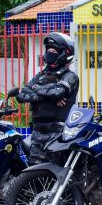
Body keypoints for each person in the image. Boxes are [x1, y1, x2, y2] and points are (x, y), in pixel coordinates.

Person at [16, 32, 79, 168]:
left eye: (54, 50)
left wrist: (37, 92)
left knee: (54, 171)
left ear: (64, 53)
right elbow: (21, 95)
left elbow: (58, 92)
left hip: (57, 132)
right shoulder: (39, 76)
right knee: (34, 171)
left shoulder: (70, 76)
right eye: (48, 50)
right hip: (37, 132)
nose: (50, 53)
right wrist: (48, 97)